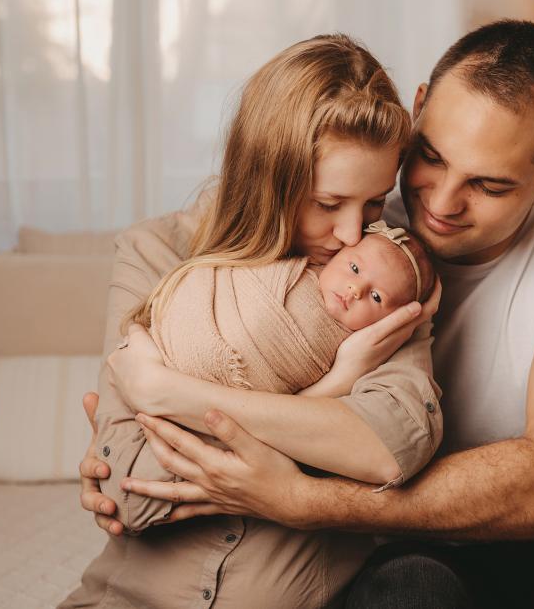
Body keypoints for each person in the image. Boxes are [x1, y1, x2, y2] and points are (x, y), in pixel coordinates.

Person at [80, 20, 534, 608]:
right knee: (412, 585)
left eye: (488, 186)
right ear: (416, 111)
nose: (440, 203)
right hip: (400, 557)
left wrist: (301, 497)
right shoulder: (361, 228)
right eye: (431, 157)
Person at [63, 34, 443, 608]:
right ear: (265, 178)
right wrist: (330, 394)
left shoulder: (381, 278)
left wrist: (165, 392)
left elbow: (388, 448)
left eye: (371, 203)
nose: (351, 233)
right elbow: (127, 493)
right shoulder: (155, 253)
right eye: (326, 202)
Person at [102, 220, 436, 533]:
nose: (355, 289)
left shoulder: (365, 346)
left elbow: (391, 453)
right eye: (354, 268)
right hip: (169, 348)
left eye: (377, 298)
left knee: (148, 477)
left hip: (207, 415)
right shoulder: (286, 260)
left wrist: (342, 376)